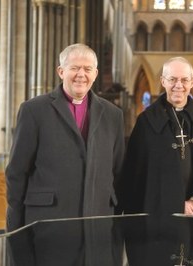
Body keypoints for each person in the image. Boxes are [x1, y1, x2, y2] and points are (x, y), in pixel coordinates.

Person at [6, 43, 125, 265]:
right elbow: (17, 173)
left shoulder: (113, 115)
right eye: (74, 68)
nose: (81, 74)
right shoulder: (34, 110)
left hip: (96, 232)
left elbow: (117, 174)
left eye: (88, 69)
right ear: (61, 71)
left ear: (96, 74)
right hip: (48, 230)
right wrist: (16, 230)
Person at [117, 57, 193, 265]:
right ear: (163, 81)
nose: (178, 85)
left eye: (183, 80)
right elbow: (136, 180)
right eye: (172, 79)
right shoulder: (145, 124)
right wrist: (174, 202)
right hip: (158, 221)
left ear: (192, 83)